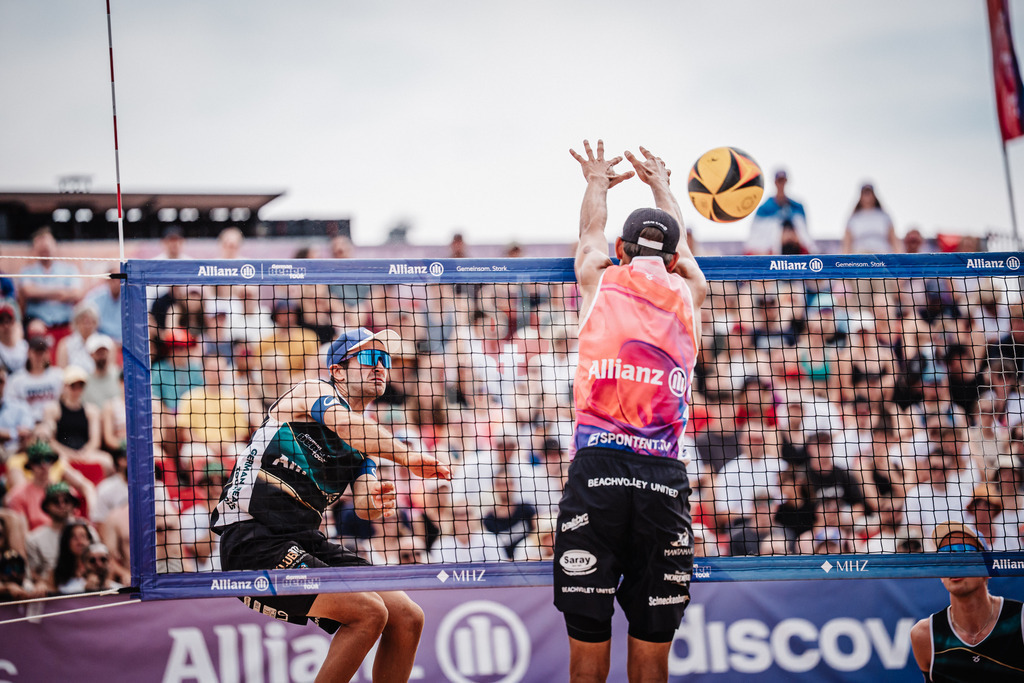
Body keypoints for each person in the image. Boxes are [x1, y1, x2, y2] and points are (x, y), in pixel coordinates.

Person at [210, 326, 451, 683]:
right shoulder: (315, 391)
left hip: (302, 539)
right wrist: (408, 456)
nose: (380, 367)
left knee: (407, 617)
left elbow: (366, 506)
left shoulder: (365, 441)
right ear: (338, 369)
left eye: (385, 360)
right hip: (251, 540)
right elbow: (346, 426)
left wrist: (375, 501)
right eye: (369, 358)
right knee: (369, 613)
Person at [553, 140, 707, 683]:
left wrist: (597, 181)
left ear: (620, 248)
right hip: (662, 480)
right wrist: (663, 185)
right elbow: (681, 250)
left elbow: (589, 234)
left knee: (587, 651)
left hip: (598, 472)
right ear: (673, 257)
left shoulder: (601, 277)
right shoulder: (690, 293)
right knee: (651, 655)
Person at [910, 522, 1024, 681]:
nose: (954, 561)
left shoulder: (1020, 620)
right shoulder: (924, 635)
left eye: (965, 552)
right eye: (945, 554)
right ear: (940, 574)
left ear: (988, 569)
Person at [745, 169, 815, 255]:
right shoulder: (764, 208)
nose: (781, 184)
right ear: (775, 182)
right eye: (779, 181)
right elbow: (756, 237)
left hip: (795, 253)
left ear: (786, 182)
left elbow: (805, 234)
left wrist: (793, 237)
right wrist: (778, 236)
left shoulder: (797, 207)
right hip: (772, 254)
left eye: (783, 181)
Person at [841, 183, 902, 254]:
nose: (867, 196)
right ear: (861, 196)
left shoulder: (884, 217)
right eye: (865, 193)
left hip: (880, 255)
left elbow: (894, 240)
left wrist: (898, 258)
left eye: (869, 193)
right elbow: (847, 243)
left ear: (874, 195)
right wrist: (844, 260)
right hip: (860, 256)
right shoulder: (853, 218)